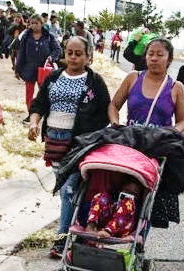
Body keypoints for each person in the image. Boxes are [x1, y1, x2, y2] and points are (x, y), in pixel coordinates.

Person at [27, 36, 111, 257]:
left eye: (78, 53)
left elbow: (105, 113)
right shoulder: (54, 77)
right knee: (71, 193)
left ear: (88, 56)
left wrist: (91, 139)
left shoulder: (95, 82)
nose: (73, 57)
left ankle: (61, 241)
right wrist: (35, 123)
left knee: (68, 190)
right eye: (69, 52)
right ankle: (83, 233)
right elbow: (39, 104)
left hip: (79, 145)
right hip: (54, 142)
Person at [108, 37, 184, 229]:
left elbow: (183, 121)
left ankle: (139, 241)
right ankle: (114, 224)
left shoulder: (176, 87)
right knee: (118, 186)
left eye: (160, 54)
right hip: (130, 144)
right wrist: (116, 123)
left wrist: (168, 133)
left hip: (156, 149)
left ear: (169, 59)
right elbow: (114, 105)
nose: (154, 58)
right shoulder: (133, 78)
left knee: (146, 195)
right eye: (150, 54)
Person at [15, 14, 61, 122]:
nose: (34, 26)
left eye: (37, 23)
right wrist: (17, 69)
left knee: (45, 93)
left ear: (42, 24)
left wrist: (51, 57)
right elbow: (21, 53)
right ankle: (31, 115)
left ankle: (45, 114)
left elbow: (57, 50)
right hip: (28, 69)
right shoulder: (26, 36)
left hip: (43, 70)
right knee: (29, 94)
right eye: (32, 23)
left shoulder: (49, 36)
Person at [85, 174, 143, 239]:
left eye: (134, 194)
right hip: (105, 223)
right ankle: (91, 225)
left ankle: (108, 231)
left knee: (128, 203)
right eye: (126, 191)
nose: (128, 194)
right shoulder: (114, 199)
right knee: (102, 196)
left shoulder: (135, 206)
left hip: (124, 227)